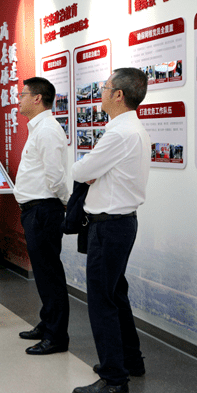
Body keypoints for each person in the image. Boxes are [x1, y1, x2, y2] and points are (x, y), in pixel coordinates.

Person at [71, 68, 149, 393]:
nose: (100, 92)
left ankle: (114, 378)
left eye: (104, 87)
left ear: (118, 95)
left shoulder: (119, 133)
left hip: (109, 227)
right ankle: (130, 360)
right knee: (116, 293)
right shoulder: (133, 128)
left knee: (102, 301)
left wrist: (89, 171)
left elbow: (81, 170)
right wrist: (93, 172)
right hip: (121, 223)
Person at [13, 77, 70, 355]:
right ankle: (48, 323)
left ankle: (56, 336)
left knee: (50, 274)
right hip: (36, 210)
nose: (19, 99)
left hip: (44, 210)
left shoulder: (47, 130)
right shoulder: (38, 128)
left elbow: (56, 176)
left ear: (37, 98)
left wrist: (65, 203)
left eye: (23, 94)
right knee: (44, 273)